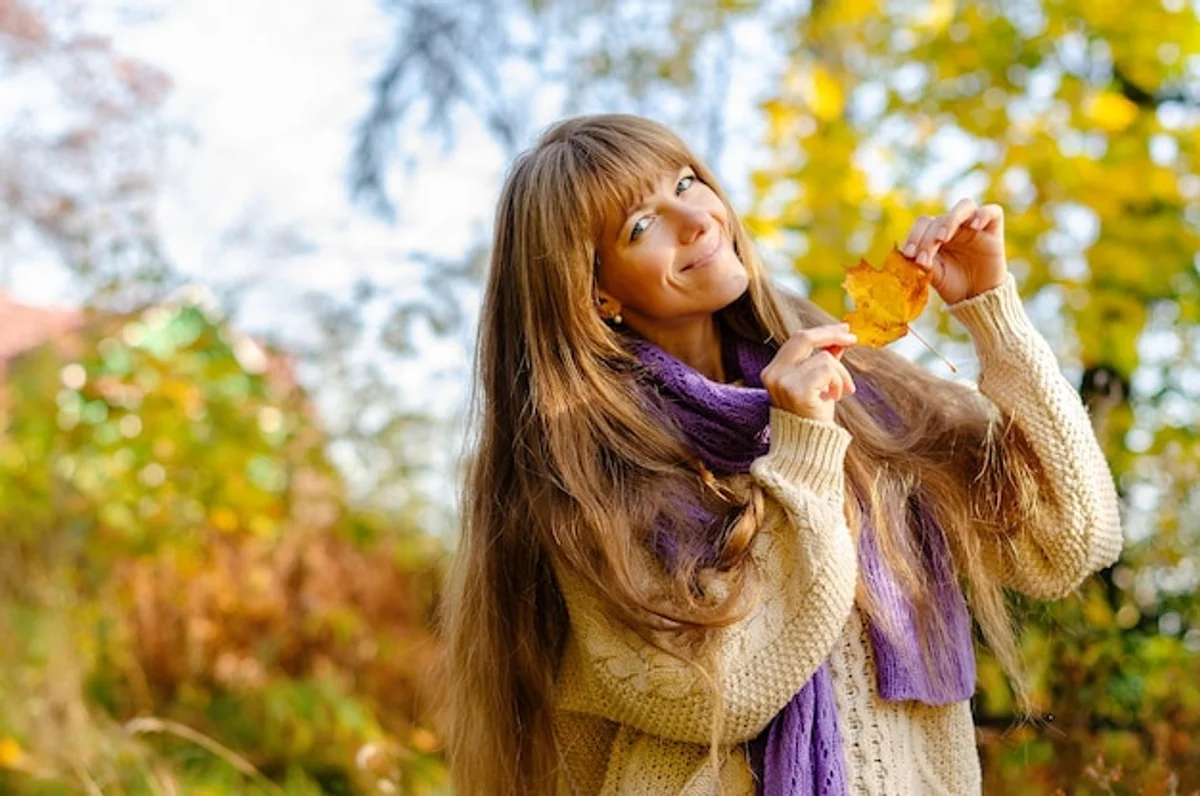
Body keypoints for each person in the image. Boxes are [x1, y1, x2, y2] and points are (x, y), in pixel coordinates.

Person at [441, 113, 1123, 795]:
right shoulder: (587, 473)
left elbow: (1070, 542)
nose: (697, 219)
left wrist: (992, 314)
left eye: (686, 182)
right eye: (640, 226)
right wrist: (802, 450)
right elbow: (726, 690)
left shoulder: (862, 391)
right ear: (596, 291)